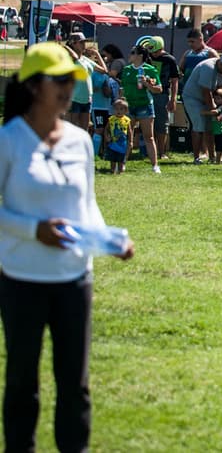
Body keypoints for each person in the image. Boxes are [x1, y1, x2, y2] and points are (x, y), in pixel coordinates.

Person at [0, 42, 135, 452]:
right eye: (59, 81)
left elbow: (86, 206)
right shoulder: (8, 140)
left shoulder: (79, 141)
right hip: (22, 277)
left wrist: (109, 239)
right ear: (35, 85)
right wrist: (32, 230)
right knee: (23, 380)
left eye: (71, 81)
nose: (67, 89)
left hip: (74, 279)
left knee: (75, 383)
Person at [181, 54, 222, 164]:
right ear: (221, 63)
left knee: (210, 127)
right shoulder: (208, 68)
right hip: (193, 98)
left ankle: (212, 157)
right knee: (199, 126)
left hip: (207, 98)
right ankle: (196, 158)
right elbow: (206, 91)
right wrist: (215, 110)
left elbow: (219, 90)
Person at [121, 46, 163, 174]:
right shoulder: (127, 70)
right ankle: (121, 163)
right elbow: (122, 89)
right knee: (127, 136)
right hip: (129, 106)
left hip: (144, 105)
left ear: (140, 56)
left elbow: (159, 89)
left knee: (148, 137)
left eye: (133, 53)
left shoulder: (149, 69)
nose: (130, 55)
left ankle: (155, 165)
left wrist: (147, 84)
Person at [140, 36, 180, 161]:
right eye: (151, 52)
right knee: (146, 121)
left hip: (162, 95)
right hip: (146, 93)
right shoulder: (147, 58)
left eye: (155, 51)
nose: (153, 54)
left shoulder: (170, 60)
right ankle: (147, 150)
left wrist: (173, 99)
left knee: (162, 123)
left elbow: (174, 81)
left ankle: (162, 151)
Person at [64, 33, 105, 132]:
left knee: (84, 130)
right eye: (81, 42)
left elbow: (104, 70)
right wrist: (66, 47)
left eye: (85, 42)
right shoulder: (70, 58)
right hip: (74, 99)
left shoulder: (85, 59)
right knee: (72, 129)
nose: (84, 45)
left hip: (87, 99)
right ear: (73, 44)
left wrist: (97, 54)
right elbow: (75, 57)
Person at [104, 98, 131, 174]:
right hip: (113, 143)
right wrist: (107, 137)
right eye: (116, 109)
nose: (118, 111)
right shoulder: (111, 119)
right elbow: (106, 129)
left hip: (123, 144)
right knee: (112, 159)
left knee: (121, 159)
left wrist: (131, 141)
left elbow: (129, 131)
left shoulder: (127, 120)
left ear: (125, 111)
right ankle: (112, 170)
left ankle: (120, 170)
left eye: (121, 109)